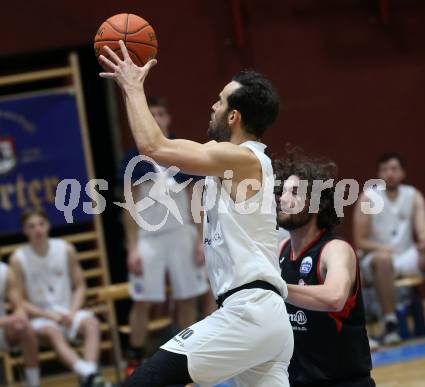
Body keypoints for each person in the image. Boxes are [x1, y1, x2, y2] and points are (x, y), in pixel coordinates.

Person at [99, 41, 293, 387]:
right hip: (264, 315)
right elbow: (160, 147)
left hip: (249, 312)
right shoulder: (227, 159)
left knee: (144, 381)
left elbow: (153, 147)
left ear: (233, 116)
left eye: (219, 101)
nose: (212, 105)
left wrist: (131, 86)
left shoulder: (241, 159)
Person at [117, 96, 211, 374]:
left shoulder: (181, 152)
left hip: (182, 234)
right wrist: (132, 248)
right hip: (149, 238)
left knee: (187, 296)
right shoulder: (133, 158)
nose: (156, 119)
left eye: (160, 114)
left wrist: (199, 239)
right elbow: (129, 208)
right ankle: (134, 358)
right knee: (143, 299)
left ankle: (184, 357)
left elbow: (197, 202)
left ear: (168, 119)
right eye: (151, 114)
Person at [275, 148, 374, 387]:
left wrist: (275, 287)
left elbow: (334, 297)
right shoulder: (281, 251)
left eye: (295, 192)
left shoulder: (335, 250)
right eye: (283, 191)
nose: (283, 199)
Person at [10, 208, 104, 387]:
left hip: (68, 310)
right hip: (40, 317)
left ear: (48, 226)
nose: (37, 229)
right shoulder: (18, 259)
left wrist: (72, 311)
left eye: (41, 224)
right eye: (31, 226)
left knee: (92, 324)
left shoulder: (65, 249)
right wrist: (48, 316)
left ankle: (88, 376)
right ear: (24, 230)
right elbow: (20, 300)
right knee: (52, 332)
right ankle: (90, 373)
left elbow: (80, 286)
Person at [353, 153, 425, 345]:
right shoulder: (368, 197)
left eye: (393, 169)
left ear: (403, 172)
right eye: (384, 169)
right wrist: (383, 248)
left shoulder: (413, 195)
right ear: (378, 173)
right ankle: (391, 323)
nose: (389, 173)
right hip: (375, 258)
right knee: (383, 259)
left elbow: (424, 231)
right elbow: (360, 241)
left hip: (405, 255)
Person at [0, 261, 40, 387]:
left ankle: (33, 384)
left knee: (25, 328)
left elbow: (19, 306)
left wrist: (20, 319)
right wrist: (6, 321)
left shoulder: (4, 271)